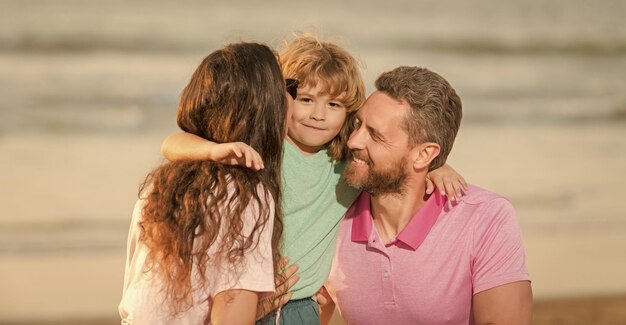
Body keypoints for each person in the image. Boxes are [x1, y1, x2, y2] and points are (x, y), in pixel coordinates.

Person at [161, 35, 466, 324]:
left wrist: (438, 166)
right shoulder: (265, 149)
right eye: (306, 100)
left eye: (333, 105)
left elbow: (397, 162)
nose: (319, 115)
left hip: (301, 305)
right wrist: (214, 150)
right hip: (242, 296)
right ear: (282, 98)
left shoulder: (348, 162)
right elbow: (172, 145)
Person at [320, 66, 532, 325]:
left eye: (375, 135)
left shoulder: (485, 217)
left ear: (423, 155)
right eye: (357, 124)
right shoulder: (332, 209)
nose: (353, 141)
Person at [118, 42, 294, 324]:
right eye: (286, 88)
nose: (291, 99)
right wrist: (259, 310)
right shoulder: (246, 196)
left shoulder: (161, 184)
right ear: (264, 107)